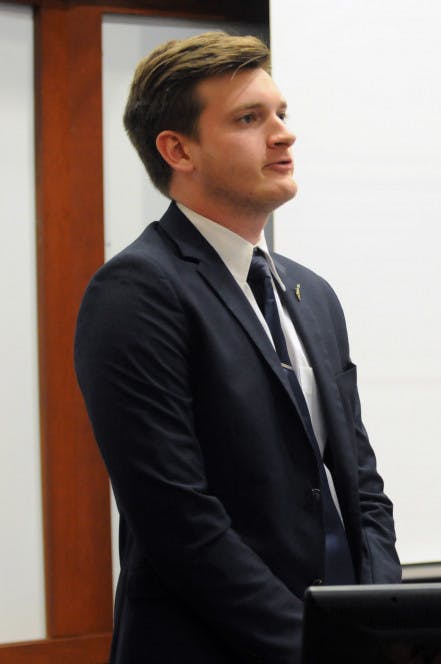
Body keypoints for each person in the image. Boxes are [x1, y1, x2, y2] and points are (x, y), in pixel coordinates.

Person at [74, 32, 401, 664]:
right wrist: (311, 646)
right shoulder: (138, 289)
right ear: (178, 149)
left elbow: (361, 486)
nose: (283, 134)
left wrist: (382, 620)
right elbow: (176, 518)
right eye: (250, 119)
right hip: (208, 647)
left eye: (281, 114)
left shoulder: (313, 293)